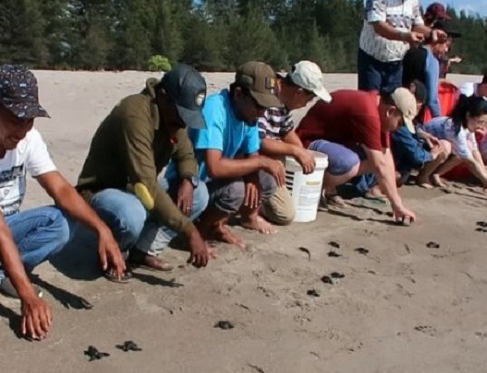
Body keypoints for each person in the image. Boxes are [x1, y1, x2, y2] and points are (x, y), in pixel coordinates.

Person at [0, 65, 125, 334]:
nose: (23, 130)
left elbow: (60, 188)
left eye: (30, 120)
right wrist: (27, 296)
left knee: (63, 222)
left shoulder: (27, 138)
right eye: (16, 119)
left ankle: (2, 273)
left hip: (6, 226)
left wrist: (102, 230)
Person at [76, 64, 211, 273]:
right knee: (132, 213)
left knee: (199, 192)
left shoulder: (174, 118)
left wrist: (188, 179)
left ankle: (143, 250)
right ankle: (114, 253)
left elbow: (186, 156)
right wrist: (190, 231)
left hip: (136, 190)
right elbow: (146, 182)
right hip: (102, 193)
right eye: (181, 115)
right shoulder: (135, 115)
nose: (183, 123)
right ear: (164, 97)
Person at [178, 61, 286, 248]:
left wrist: (253, 176)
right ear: (238, 94)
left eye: (265, 108)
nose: (262, 114)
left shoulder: (249, 117)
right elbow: (214, 168)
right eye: (259, 106)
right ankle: (199, 232)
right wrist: (260, 163)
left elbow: (252, 153)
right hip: (190, 184)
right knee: (236, 190)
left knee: (266, 180)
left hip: (214, 182)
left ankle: (217, 225)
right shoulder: (214, 109)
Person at [297, 87, 419, 223]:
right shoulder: (368, 112)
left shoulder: (379, 108)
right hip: (306, 143)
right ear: (391, 111)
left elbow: (386, 156)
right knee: (350, 162)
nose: (397, 128)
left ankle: (328, 187)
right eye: (400, 123)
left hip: (330, 143)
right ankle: (314, 187)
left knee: (374, 158)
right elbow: (379, 164)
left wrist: (398, 203)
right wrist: (397, 205)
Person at [256, 60, 332, 229]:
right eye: (310, 98)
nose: (307, 104)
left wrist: (303, 152)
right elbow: (258, 141)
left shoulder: (285, 102)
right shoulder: (266, 95)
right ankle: (254, 206)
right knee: (285, 214)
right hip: (251, 158)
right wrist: (295, 151)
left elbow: (287, 131)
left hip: (271, 159)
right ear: (299, 92)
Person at [358, 0, 442, 92]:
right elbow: (378, 26)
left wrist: (431, 33)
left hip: (397, 62)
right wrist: (404, 36)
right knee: (371, 102)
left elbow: (416, 24)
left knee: (394, 103)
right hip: (372, 60)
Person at [419, 96, 487, 200]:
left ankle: (436, 174)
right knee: (446, 147)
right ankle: (423, 175)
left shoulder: (467, 127)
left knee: (466, 149)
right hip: (424, 147)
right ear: (468, 115)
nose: (482, 126)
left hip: (436, 150)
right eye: (480, 122)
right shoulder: (454, 128)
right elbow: (470, 162)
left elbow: (475, 152)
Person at [391, 80, 453, 187]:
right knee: (395, 177)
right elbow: (415, 154)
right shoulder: (398, 121)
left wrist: (423, 134)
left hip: (407, 160)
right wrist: (431, 155)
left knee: (444, 146)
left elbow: (415, 126)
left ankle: (424, 176)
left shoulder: (411, 118)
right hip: (400, 161)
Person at [402, 19, 461, 118]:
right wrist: (439, 119)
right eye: (447, 46)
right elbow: (432, 99)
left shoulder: (411, 52)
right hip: (414, 112)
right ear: (439, 40)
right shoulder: (432, 61)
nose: (446, 50)